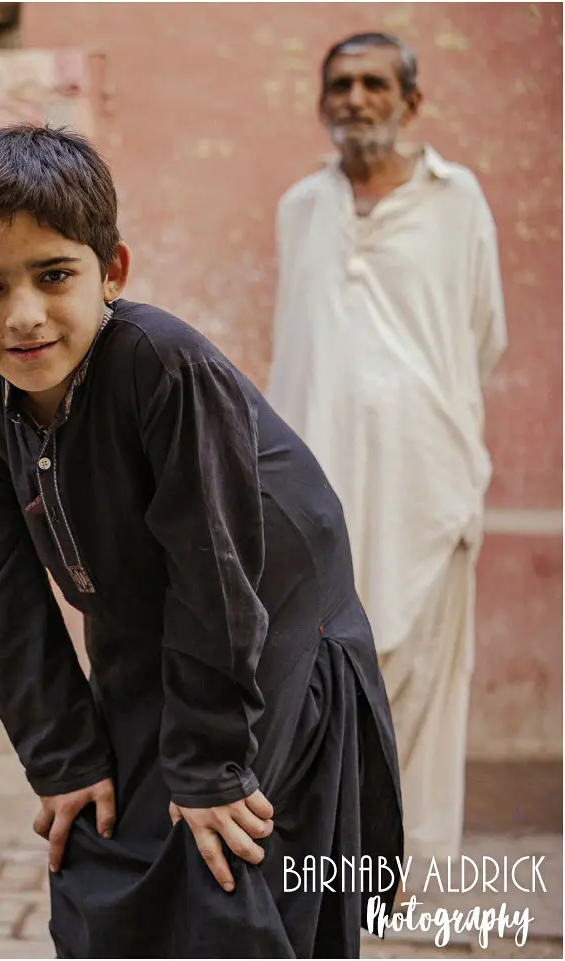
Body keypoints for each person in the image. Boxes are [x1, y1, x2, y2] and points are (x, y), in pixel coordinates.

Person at [0, 124, 403, 957]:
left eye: (55, 275)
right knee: (105, 843)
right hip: (142, 626)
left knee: (225, 850)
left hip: (270, 616)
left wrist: (212, 763)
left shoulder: (162, 363)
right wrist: (62, 756)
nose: (24, 316)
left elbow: (214, 567)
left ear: (112, 271)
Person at [267, 33, 507, 870]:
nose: (355, 98)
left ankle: (416, 869)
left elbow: (483, 333)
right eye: (340, 83)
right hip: (314, 482)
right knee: (323, 664)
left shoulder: (457, 198)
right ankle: (335, 862)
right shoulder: (300, 205)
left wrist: (408, 409)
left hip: (425, 475)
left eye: (374, 84)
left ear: (410, 102)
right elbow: (295, 341)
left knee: (424, 678)